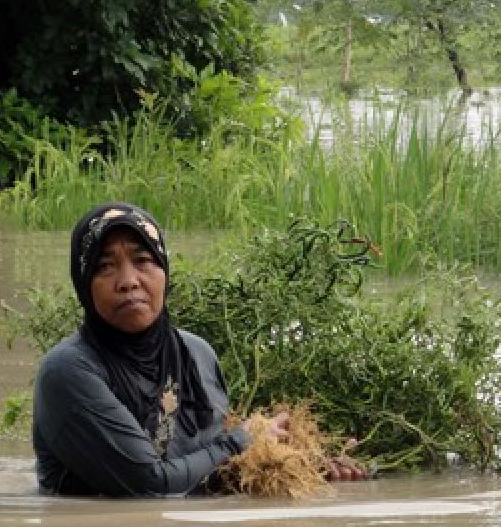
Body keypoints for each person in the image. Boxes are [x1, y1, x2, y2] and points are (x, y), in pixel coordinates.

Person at [33, 203, 362, 498]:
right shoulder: (69, 371)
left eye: (143, 260)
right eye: (105, 266)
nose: (128, 281)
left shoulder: (196, 353)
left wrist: (303, 463)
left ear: (164, 271)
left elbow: (209, 470)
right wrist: (240, 440)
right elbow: (150, 484)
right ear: (83, 284)